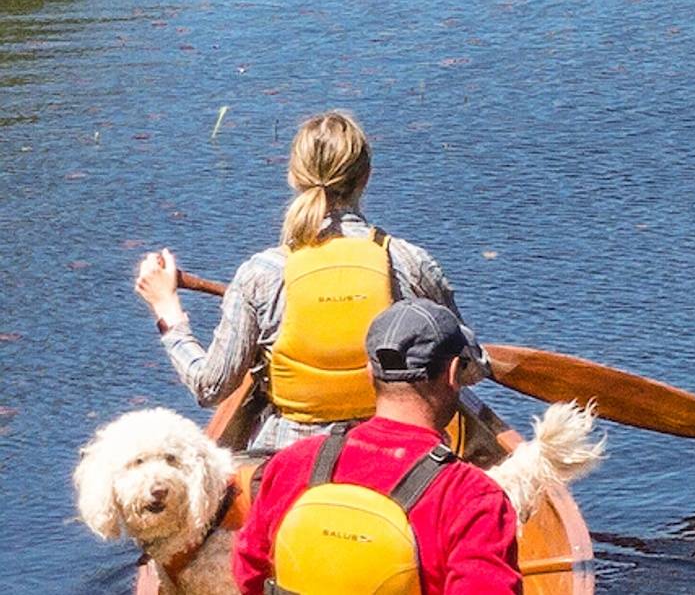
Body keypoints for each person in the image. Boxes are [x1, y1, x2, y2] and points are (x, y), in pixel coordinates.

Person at [134, 110, 483, 454]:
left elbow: (210, 388)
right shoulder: (409, 263)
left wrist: (168, 310)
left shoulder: (261, 275)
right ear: (366, 177)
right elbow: (470, 368)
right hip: (392, 457)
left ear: (293, 177)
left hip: (290, 460)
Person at [232, 299, 521, 595]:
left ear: (370, 372)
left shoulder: (291, 464)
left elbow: (248, 575)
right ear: (453, 372)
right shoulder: (472, 497)